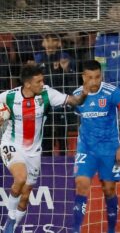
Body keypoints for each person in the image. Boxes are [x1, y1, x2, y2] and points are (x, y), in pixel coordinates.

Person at [0, 66, 88, 233]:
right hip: (11, 144)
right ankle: (10, 219)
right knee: (20, 179)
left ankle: (9, 228)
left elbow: (75, 101)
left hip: (33, 152)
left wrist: (83, 93)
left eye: (42, 80)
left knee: (25, 196)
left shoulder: (47, 94)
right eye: (38, 81)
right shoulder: (8, 97)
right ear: (27, 84)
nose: (42, 84)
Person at [71, 60, 120, 233]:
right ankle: (75, 229)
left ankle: (110, 229)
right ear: (83, 77)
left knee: (108, 190)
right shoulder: (77, 95)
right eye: (90, 78)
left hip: (110, 150)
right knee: (81, 183)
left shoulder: (112, 92)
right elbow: (78, 113)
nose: (94, 82)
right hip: (86, 148)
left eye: (97, 77)